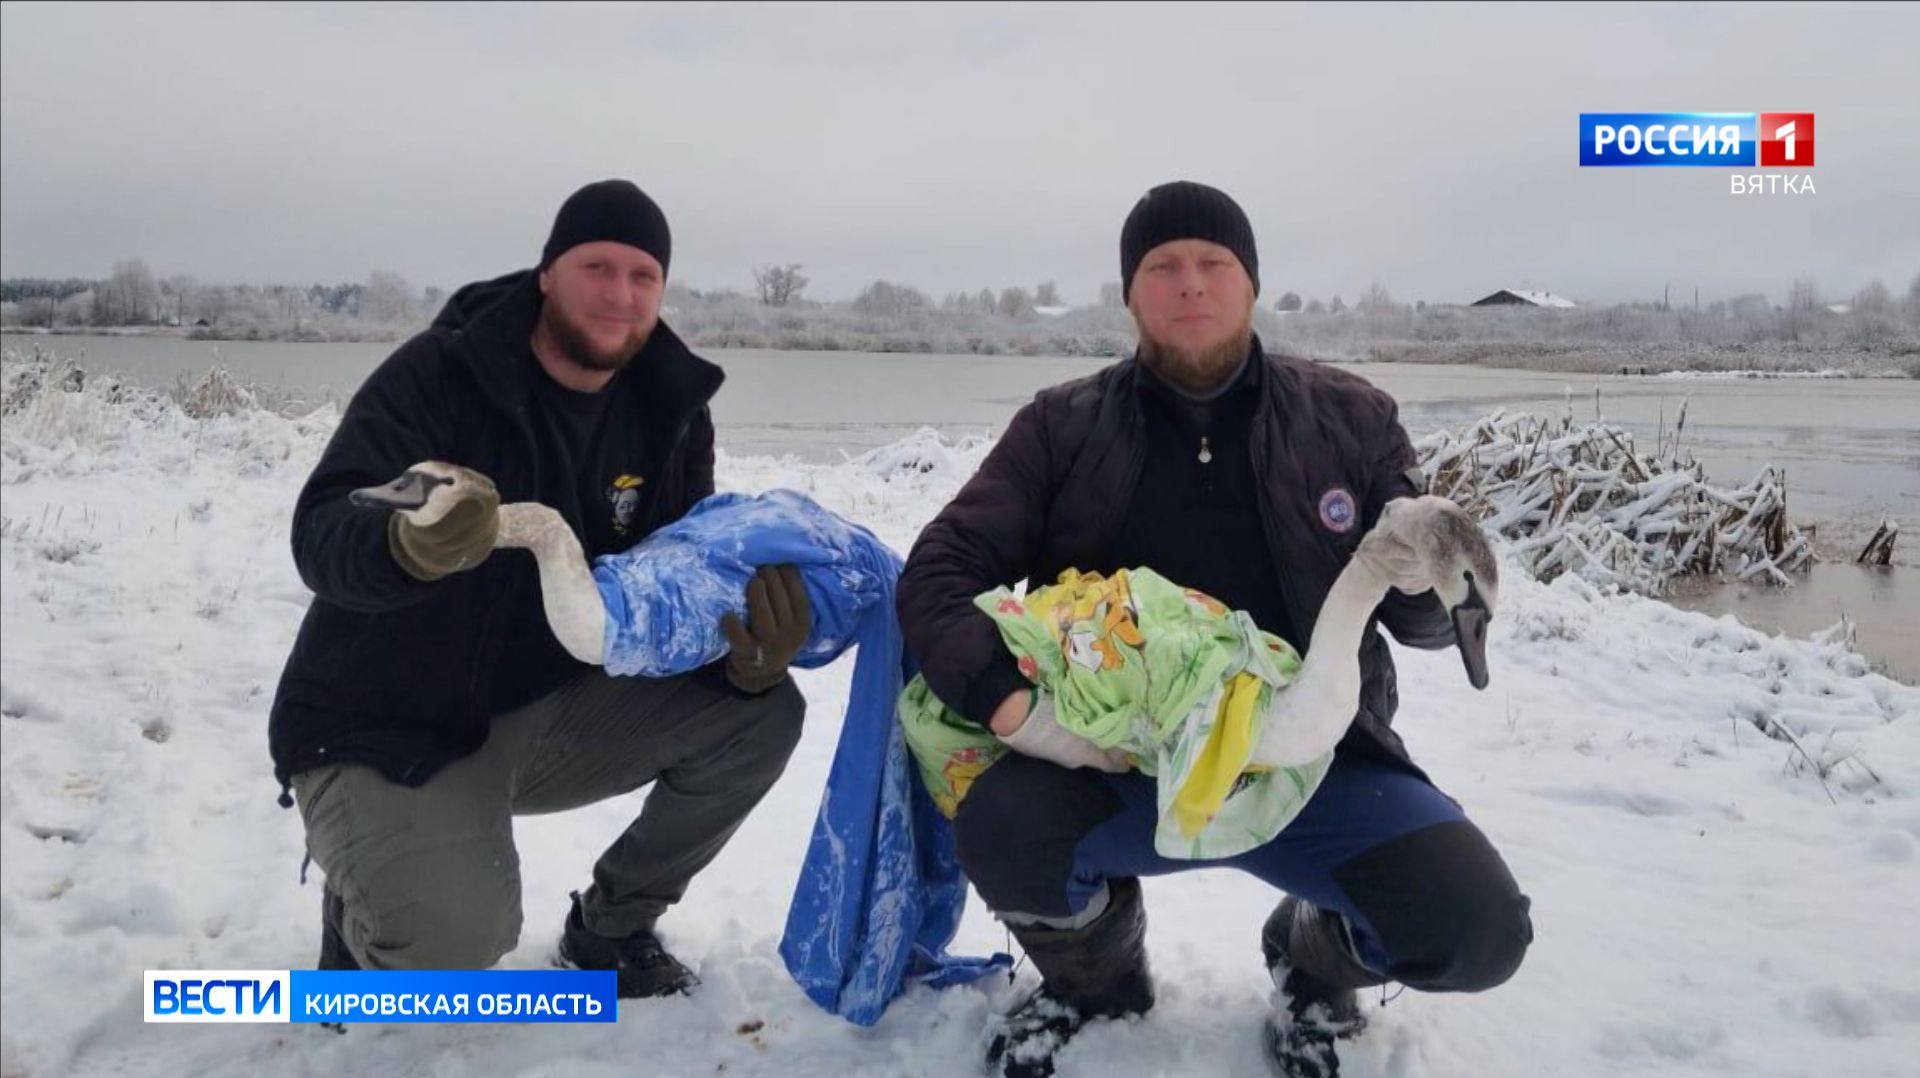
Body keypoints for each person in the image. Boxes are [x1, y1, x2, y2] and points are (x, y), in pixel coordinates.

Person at [897, 181, 1533, 1076]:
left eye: (1214, 263)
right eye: (1163, 266)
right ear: (1130, 292)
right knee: (1000, 822)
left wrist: (1427, 589)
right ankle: (1099, 981)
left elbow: (1420, 622)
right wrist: (1008, 707)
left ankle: (1313, 958)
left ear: (1251, 283)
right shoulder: (1059, 427)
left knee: (1478, 929)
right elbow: (939, 571)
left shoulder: (1352, 420)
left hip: (1313, 755)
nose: (1190, 284)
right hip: (1120, 761)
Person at [268, 179, 811, 998]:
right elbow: (323, 527)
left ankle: (612, 930)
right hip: (384, 722)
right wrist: (402, 545)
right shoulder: (440, 376)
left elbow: (677, 579)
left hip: (551, 709)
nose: (619, 295)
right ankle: (362, 912)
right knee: (451, 953)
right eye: (597, 266)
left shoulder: (670, 409)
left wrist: (740, 657)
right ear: (548, 273)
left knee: (763, 717)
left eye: (643, 276)